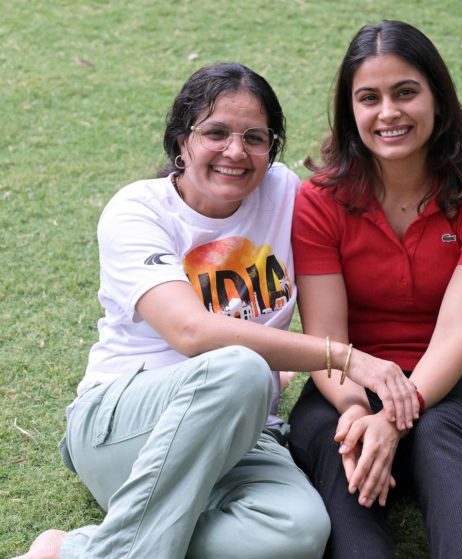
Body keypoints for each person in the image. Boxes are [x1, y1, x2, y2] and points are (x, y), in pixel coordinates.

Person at [14, 62, 418, 559]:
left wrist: (356, 407)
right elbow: (190, 330)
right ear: (181, 140)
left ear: (271, 149)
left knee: (299, 532)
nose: (235, 150)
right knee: (242, 367)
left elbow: (371, 183)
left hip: (242, 433)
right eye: (216, 132)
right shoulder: (138, 210)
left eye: (254, 137)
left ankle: (72, 551)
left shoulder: (287, 195)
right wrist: (347, 358)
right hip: (122, 428)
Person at [288, 20, 462, 559]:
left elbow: (457, 335)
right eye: (369, 98)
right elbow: (327, 340)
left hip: (456, 386)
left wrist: (397, 415)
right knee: (337, 442)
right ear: (351, 113)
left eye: (406, 92)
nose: (388, 112)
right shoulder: (319, 201)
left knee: (437, 436)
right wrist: (354, 411)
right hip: (343, 382)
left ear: (438, 99)